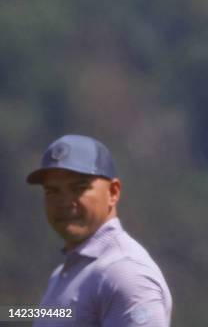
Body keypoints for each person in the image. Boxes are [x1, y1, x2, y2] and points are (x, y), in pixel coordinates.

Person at [26, 134, 172, 327]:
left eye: (79, 188)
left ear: (113, 192)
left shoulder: (124, 273)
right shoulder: (65, 273)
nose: (64, 203)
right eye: (52, 191)